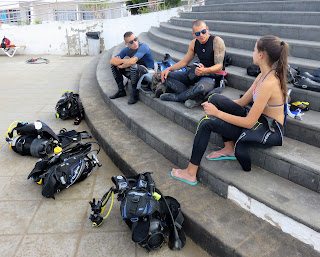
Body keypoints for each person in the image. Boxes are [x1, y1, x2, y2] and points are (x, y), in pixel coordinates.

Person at [171, 35, 289, 185]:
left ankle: (190, 172)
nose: (252, 53)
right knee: (215, 98)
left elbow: (249, 122)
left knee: (206, 122)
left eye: (254, 49)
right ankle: (229, 148)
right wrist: (218, 105)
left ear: (261, 55)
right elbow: (241, 102)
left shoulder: (269, 82)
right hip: (258, 121)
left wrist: (217, 113)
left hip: (268, 130)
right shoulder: (262, 75)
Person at [160, 19, 226, 108]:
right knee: (165, 76)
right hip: (197, 72)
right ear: (193, 34)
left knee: (200, 87)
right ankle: (191, 95)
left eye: (203, 31)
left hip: (211, 75)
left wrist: (205, 70)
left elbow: (219, 67)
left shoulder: (217, 41)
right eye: (198, 33)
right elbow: (185, 62)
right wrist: (168, 69)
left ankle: (179, 97)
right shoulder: (194, 43)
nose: (201, 35)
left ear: (207, 29)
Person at [109, 31, 155, 104]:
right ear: (126, 44)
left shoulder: (143, 47)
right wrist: (125, 61)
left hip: (148, 73)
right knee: (114, 66)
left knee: (133, 65)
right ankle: (121, 91)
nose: (134, 43)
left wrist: (122, 63)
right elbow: (112, 61)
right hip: (136, 73)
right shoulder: (126, 50)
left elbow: (132, 61)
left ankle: (134, 94)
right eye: (131, 42)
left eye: (135, 39)